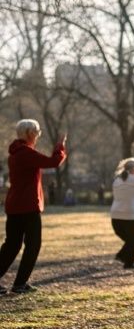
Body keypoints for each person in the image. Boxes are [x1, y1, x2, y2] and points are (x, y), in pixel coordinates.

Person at [0, 119, 66, 294]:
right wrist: (60, 145)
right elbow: (53, 162)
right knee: (33, 244)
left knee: (12, 245)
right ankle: (19, 284)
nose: (37, 136)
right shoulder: (25, 153)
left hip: (15, 205)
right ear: (29, 133)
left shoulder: (15, 152)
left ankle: (19, 283)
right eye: (36, 133)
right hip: (28, 205)